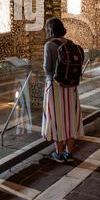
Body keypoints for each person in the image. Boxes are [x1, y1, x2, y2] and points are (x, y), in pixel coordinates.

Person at [41, 18, 84, 163]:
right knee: (71, 117)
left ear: (50, 30)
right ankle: (68, 152)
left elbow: (47, 69)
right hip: (71, 88)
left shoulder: (49, 45)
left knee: (57, 118)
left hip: (55, 88)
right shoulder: (69, 43)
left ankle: (58, 153)